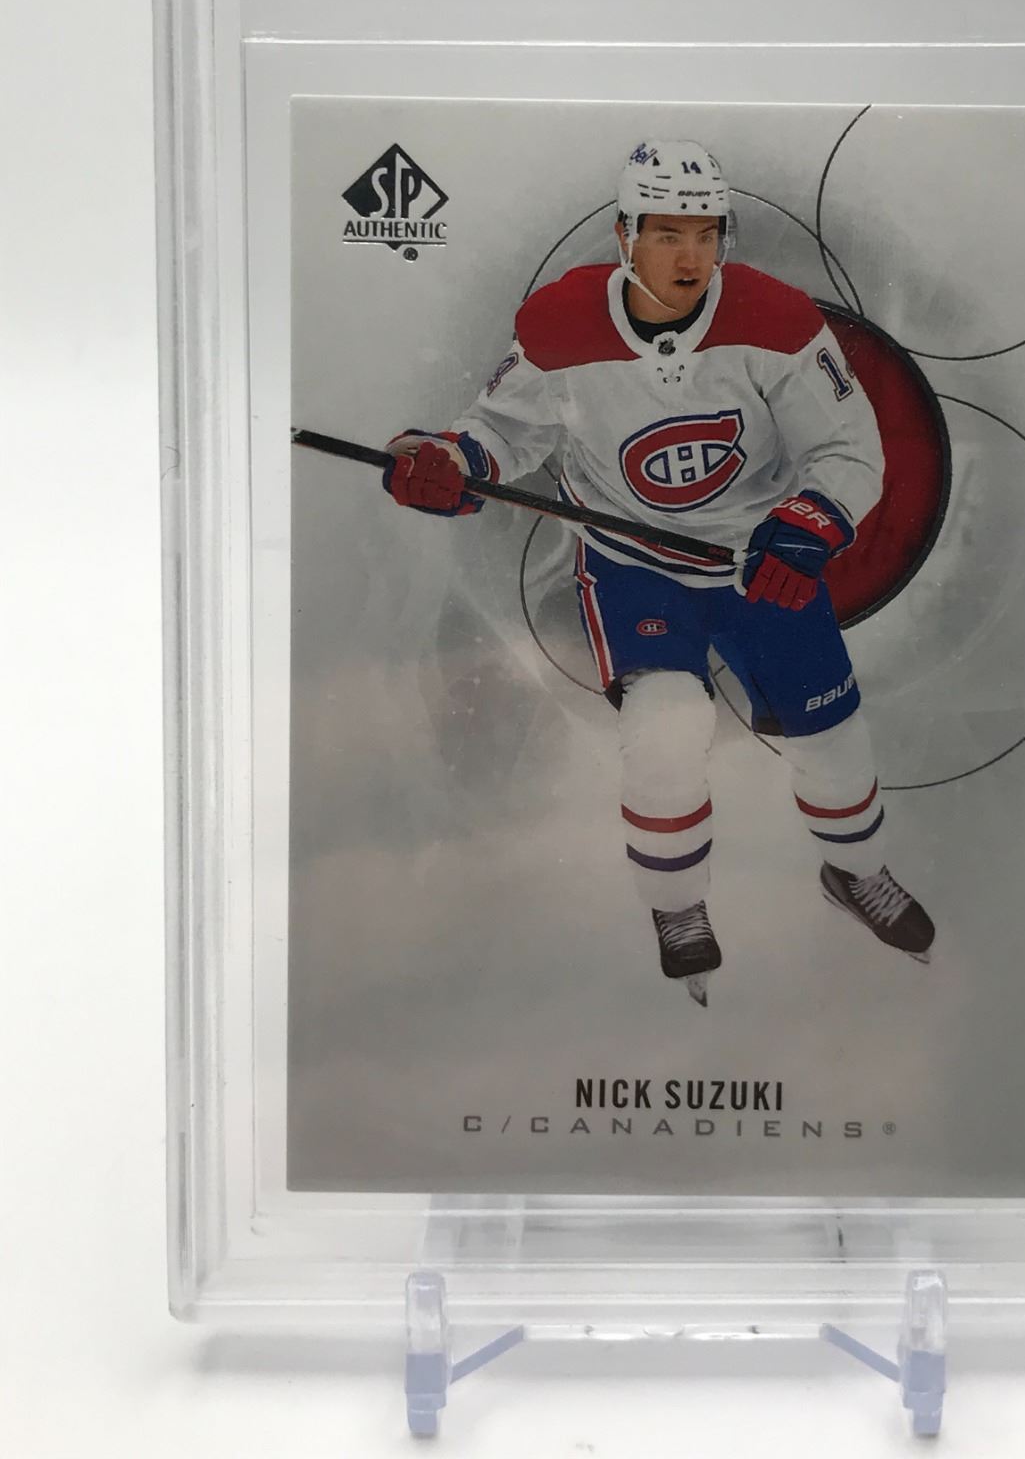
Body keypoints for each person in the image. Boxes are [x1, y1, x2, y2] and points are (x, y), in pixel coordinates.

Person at [383, 138, 934, 1002]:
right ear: (624, 235)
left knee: (831, 732)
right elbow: (504, 432)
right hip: (635, 565)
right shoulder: (561, 327)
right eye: (668, 234)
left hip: (757, 560)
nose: (691, 257)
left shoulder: (779, 322)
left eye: (707, 234)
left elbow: (847, 448)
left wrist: (810, 522)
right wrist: (452, 463)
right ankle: (677, 906)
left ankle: (857, 871)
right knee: (668, 724)